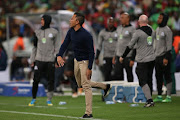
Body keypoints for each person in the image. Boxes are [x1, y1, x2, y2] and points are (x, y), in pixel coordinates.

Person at [57, 12, 111, 118]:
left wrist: (89, 68)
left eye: (72, 19)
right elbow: (65, 44)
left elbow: (91, 52)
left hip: (85, 61)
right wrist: (59, 55)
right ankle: (105, 86)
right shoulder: (71, 31)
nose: (70, 21)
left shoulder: (86, 35)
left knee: (86, 86)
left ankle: (88, 112)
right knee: (81, 84)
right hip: (76, 60)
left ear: (77, 22)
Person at [120, 15, 155, 107]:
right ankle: (150, 97)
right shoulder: (152, 30)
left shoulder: (138, 32)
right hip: (152, 58)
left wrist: (122, 56)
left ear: (139, 22)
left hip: (142, 59)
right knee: (149, 79)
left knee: (142, 80)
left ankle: (149, 100)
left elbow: (130, 46)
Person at [28, 14, 59, 106]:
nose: (41, 21)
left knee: (51, 80)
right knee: (36, 79)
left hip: (50, 59)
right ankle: (33, 98)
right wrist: (32, 60)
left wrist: (57, 59)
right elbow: (34, 47)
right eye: (41, 20)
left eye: (42, 20)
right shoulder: (37, 32)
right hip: (39, 59)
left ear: (47, 20)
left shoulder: (54, 32)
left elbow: (57, 47)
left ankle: (49, 99)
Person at [153, 13, 173, 102]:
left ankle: (168, 96)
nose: (158, 19)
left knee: (167, 76)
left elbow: (169, 46)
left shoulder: (167, 30)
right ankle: (159, 95)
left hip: (164, 56)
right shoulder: (157, 29)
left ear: (164, 19)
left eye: (160, 18)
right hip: (157, 56)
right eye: (158, 17)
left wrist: (166, 57)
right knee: (158, 76)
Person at [113, 12, 135, 82]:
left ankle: (131, 91)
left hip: (128, 56)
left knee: (129, 74)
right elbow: (117, 43)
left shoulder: (132, 29)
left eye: (122, 18)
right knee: (118, 74)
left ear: (127, 18)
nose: (120, 19)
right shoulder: (119, 28)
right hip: (118, 55)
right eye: (120, 17)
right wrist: (114, 56)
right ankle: (120, 91)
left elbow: (134, 44)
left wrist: (132, 58)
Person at [95, 17, 118, 81]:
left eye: (112, 22)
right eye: (109, 22)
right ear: (107, 23)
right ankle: (107, 90)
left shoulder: (118, 32)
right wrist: (97, 57)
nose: (111, 23)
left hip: (116, 56)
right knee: (106, 74)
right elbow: (99, 45)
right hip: (107, 56)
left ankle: (117, 90)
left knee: (116, 74)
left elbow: (120, 44)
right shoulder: (102, 32)